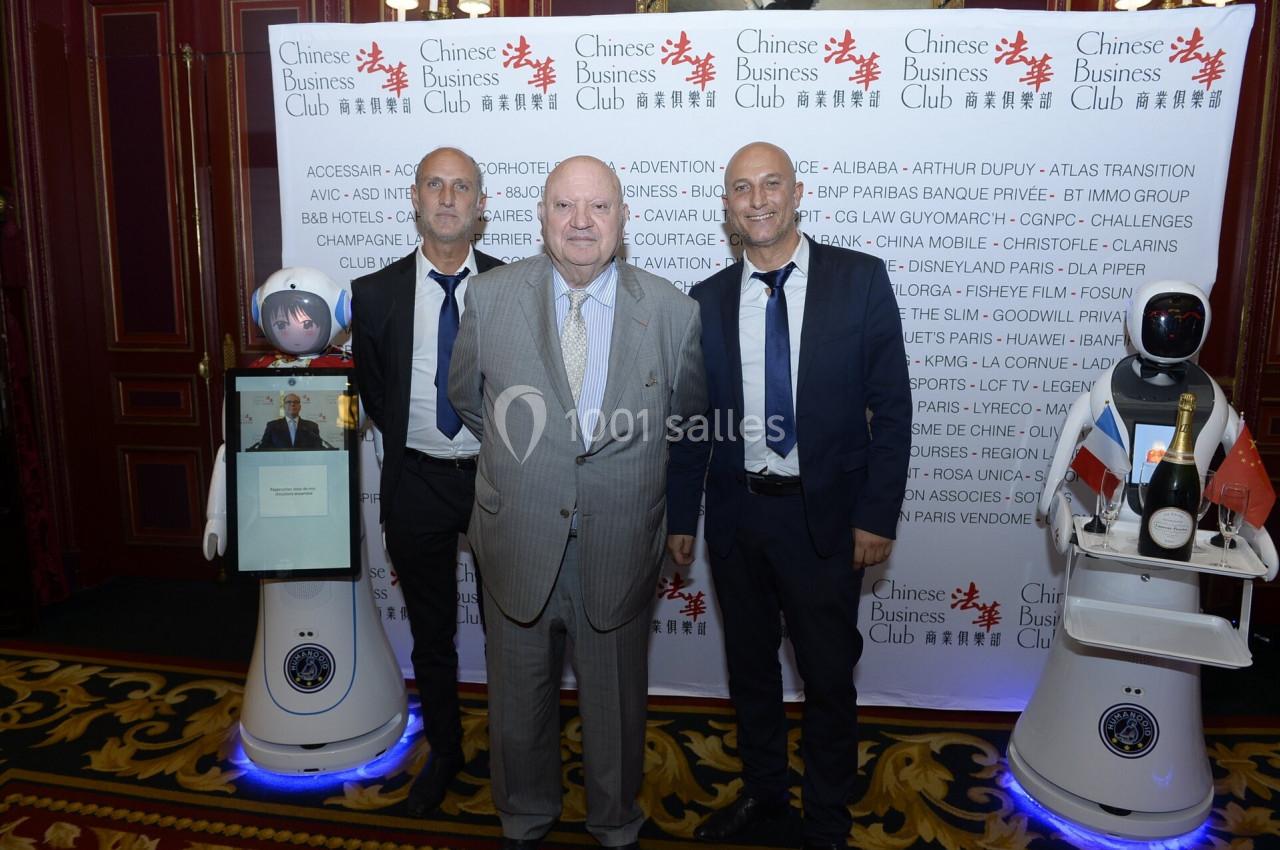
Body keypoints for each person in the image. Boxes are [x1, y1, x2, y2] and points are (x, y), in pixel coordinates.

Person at [448, 155, 705, 850]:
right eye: (565, 206)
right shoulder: (491, 296)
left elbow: (686, 426)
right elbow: (468, 399)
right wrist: (532, 462)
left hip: (621, 541)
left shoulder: (675, 313)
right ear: (540, 216)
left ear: (625, 218)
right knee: (517, 703)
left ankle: (614, 822)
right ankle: (524, 818)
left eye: (599, 207)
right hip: (517, 534)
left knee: (615, 705)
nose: (582, 223)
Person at [666, 141, 912, 850]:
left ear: (797, 191)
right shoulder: (706, 300)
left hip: (827, 523)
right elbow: (692, 419)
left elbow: (891, 410)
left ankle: (828, 822)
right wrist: (684, 516)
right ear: (728, 207)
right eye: (741, 189)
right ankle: (766, 796)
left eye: (770, 184)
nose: (758, 199)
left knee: (828, 677)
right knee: (750, 673)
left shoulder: (859, 280)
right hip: (739, 520)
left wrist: (875, 514)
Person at [350, 146, 503, 817]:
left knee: (516, 628)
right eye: (435, 185)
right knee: (432, 631)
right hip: (416, 481)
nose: (447, 198)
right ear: (414, 198)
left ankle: (517, 747)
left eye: (461, 186)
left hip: (500, 479)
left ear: (480, 206)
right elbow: (377, 394)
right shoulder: (375, 292)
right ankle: (445, 749)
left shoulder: (513, 286)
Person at [257, 393, 324, 449]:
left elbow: (318, 448)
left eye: (296, 402)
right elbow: (263, 448)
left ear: (300, 407)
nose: (292, 404)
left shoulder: (311, 427)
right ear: (284, 406)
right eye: (289, 402)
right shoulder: (272, 426)